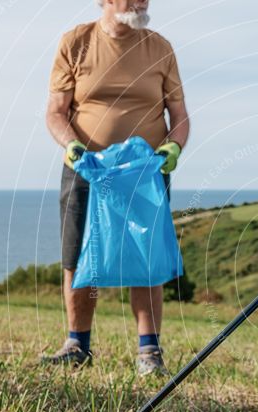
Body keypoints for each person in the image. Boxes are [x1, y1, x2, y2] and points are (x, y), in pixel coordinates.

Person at [43, 0, 190, 375]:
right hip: (86, 169)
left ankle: (149, 352)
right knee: (77, 255)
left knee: (146, 257)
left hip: (144, 174)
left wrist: (173, 146)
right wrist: (71, 145)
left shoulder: (160, 47)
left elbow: (179, 113)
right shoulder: (75, 42)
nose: (142, 2)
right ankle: (77, 343)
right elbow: (56, 112)